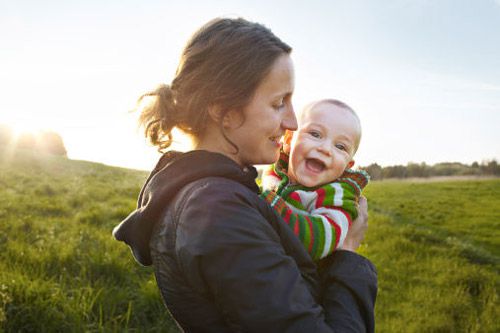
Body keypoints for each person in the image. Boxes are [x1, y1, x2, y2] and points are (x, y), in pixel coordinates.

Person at [113, 17, 377, 332]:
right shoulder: (217, 212)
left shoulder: (221, 195)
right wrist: (347, 252)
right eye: (279, 102)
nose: (292, 122)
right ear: (222, 108)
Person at [261, 99, 370, 260]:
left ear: (347, 166)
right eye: (315, 134)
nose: (325, 149)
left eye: (340, 147)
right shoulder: (274, 169)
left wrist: (266, 207)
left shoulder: (337, 195)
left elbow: (320, 241)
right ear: (289, 140)